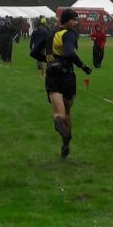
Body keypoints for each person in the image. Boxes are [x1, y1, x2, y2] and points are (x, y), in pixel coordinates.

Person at [43, 9, 93, 159]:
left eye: (77, 20)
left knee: (60, 113)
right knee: (68, 112)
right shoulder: (69, 34)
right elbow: (69, 52)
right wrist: (83, 66)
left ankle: (58, 122)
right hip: (66, 76)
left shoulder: (50, 34)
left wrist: (50, 61)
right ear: (65, 21)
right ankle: (66, 145)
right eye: (73, 20)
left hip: (52, 76)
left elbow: (34, 52)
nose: (76, 23)